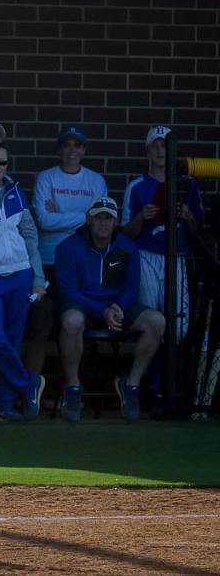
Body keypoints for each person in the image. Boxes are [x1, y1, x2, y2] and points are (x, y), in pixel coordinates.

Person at [55, 197, 165, 422]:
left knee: (156, 321)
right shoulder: (68, 247)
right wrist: (101, 311)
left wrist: (118, 307)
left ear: (116, 222)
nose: (103, 223)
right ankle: (73, 387)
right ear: (89, 220)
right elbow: (69, 291)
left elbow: (132, 286)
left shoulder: (128, 247)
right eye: (98, 218)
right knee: (71, 321)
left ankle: (131, 385)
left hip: (116, 307)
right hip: (83, 305)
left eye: (108, 218)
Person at [121, 125, 204, 410]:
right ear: (148, 150)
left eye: (165, 146)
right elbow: (124, 234)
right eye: (155, 145)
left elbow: (199, 230)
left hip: (176, 257)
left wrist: (188, 215)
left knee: (178, 327)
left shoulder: (187, 185)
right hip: (145, 256)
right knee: (150, 322)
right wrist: (142, 218)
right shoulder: (136, 186)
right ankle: (154, 387)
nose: (160, 150)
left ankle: (153, 381)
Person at [0, 141, 47, 421]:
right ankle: (29, 384)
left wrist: (38, 278)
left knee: (12, 342)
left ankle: (5, 405)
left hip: (21, 275)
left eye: (3, 162)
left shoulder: (16, 192)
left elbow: (30, 235)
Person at [26, 126, 107, 373]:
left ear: (84, 150)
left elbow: (101, 223)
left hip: (83, 261)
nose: (72, 150)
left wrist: (59, 215)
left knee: (75, 320)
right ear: (59, 150)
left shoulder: (95, 180)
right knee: (40, 323)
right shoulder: (46, 177)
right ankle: (33, 389)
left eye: (77, 145)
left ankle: (73, 389)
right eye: (67, 145)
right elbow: (43, 221)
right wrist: (84, 216)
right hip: (48, 261)